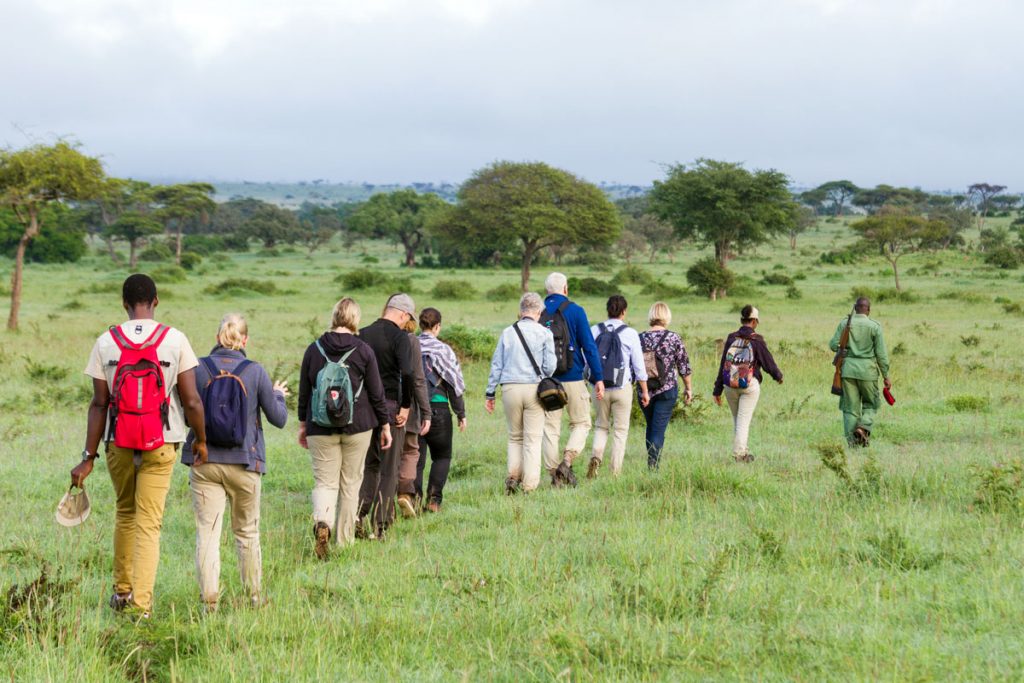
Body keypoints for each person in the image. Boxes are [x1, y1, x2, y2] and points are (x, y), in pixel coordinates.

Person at [71, 273, 207, 619]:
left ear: (124, 304)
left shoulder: (106, 341)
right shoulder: (175, 339)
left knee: (125, 512)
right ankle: (142, 608)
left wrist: (88, 457)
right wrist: (201, 439)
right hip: (161, 442)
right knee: (149, 524)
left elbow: (99, 404)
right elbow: (191, 400)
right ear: (156, 301)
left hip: (117, 441)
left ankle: (121, 592)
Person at [181, 313, 289, 611]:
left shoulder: (198, 368)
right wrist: (278, 395)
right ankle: (254, 596)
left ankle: (209, 602)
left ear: (217, 337)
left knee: (208, 533)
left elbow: (184, 408)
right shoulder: (255, 371)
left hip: (204, 462)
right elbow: (278, 419)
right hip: (246, 464)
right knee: (247, 533)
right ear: (245, 340)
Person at [298, 298, 391, 558]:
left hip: (319, 425)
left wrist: (303, 425)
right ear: (355, 319)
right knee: (351, 484)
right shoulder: (363, 350)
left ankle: (322, 522)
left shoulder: (313, 349)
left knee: (324, 482)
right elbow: (376, 392)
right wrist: (384, 425)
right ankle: (344, 540)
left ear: (335, 315)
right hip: (358, 425)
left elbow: (305, 390)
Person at [357, 293, 419, 540]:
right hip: (391, 407)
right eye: (407, 319)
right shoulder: (400, 337)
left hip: (364, 409)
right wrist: (405, 407)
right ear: (403, 314)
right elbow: (408, 373)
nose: (407, 324)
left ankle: (357, 515)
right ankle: (380, 525)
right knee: (389, 468)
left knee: (368, 465)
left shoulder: (361, 334)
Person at [485, 293, 556, 494]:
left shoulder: (508, 332)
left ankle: (512, 478)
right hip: (535, 389)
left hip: (510, 388)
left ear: (521, 310)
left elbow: (496, 364)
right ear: (539, 311)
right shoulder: (544, 333)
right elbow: (550, 367)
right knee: (533, 439)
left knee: (515, 437)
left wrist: (490, 393)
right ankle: (529, 486)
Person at [540, 272, 605, 487]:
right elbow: (589, 346)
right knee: (582, 422)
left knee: (550, 429)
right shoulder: (576, 311)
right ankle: (566, 461)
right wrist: (598, 378)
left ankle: (553, 474)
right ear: (566, 289)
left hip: (546, 381)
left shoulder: (537, 311)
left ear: (547, 290)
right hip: (574, 376)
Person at [586, 295, 649, 478]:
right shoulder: (630, 334)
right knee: (620, 430)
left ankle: (596, 457)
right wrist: (644, 391)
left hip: (599, 387)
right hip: (622, 387)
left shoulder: (595, 330)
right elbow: (639, 366)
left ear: (607, 310)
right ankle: (615, 471)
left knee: (601, 426)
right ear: (624, 311)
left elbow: (586, 359)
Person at [712, 305, 783, 463]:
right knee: (743, 421)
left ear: (741, 320)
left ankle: (743, 451)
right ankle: (739, 455)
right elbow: (768, 363)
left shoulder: (731, 338)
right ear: (754, 321)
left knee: (738, 420)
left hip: (729, 385)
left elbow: (724, 363)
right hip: (749, 385)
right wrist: (778, 376)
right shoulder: (756, 340)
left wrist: (717, 390)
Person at [415, 307, 467, 512]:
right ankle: (434, 500)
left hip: (414, 410)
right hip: (439, 409)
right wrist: (461, 413)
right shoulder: (444, 350)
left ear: (420, 325)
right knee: (442, 456)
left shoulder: (409, 346)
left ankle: (413, 499)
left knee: (416, 459)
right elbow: (454, 385)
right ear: (437, 327)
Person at [829, 297, 891, 447]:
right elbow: (881, 355)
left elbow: (832, 345)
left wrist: (842, 351)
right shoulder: (874, 326)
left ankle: (853, 444)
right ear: (868, 310)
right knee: (871, 404)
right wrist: (886, 376)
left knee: (850, 409)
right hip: (868, 371)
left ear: (855, 308)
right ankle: (863, 427)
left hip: (847, 370)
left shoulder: (845, 323)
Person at [638, 302, 693, 470]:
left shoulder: (639, 338)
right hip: (667, 389)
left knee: (651, 425)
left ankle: (652, 461)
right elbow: (683, 365)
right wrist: (688, 388)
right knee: (658, 429)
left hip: (644, 390)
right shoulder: (673, 338)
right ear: (666, 317)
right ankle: (653, 466)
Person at [396, 317, 431, 519]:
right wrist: (426, 412)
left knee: (388, 454)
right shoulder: (411, 341)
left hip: (386, 404)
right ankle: (404, 493)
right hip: (408, 405)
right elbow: (418, 379)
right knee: (410, 451)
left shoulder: (380, 336)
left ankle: (384, 501)